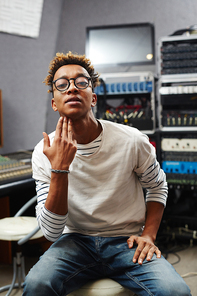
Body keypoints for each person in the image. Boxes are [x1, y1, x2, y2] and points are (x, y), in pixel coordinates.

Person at [23, 52, 191, 296]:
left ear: (93, 97)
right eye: (62, 84)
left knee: (176, 291)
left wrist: (149, 235)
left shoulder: (132, 140)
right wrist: (60, 168)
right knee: (37, 285)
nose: (71, 88)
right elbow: (51, 232)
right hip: (74, 242)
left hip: (127, 240)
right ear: (54, 102)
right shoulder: (43, 152)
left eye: (81, 82)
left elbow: (158, 187)